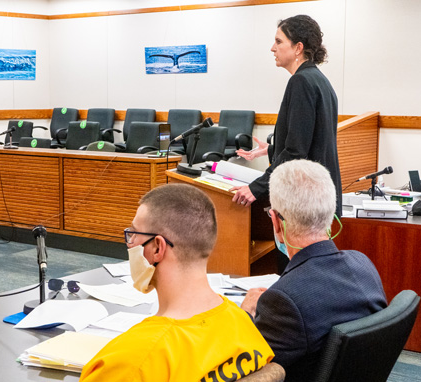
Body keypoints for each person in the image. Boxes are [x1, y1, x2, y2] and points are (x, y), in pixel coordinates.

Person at [80, 183, 284, 382]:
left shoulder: (131, 362)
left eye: (134, 234)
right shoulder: (241, 323)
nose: (130, 242)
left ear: (158, 248)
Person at [241, 159, 387, 382]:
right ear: (330, 215)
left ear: (277, 222)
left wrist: (245, 314)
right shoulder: (363, 265)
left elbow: (243, 365)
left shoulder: (282, 301)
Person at [232, 15, 342, 217]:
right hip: (320, 195)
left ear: (298, 47)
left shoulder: (301, 82)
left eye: (279, 41)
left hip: (305, 199)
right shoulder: (320, 81)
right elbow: (311, 143)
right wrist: (272, 149)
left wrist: (256, 187)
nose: (272, 48)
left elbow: (296, 152)